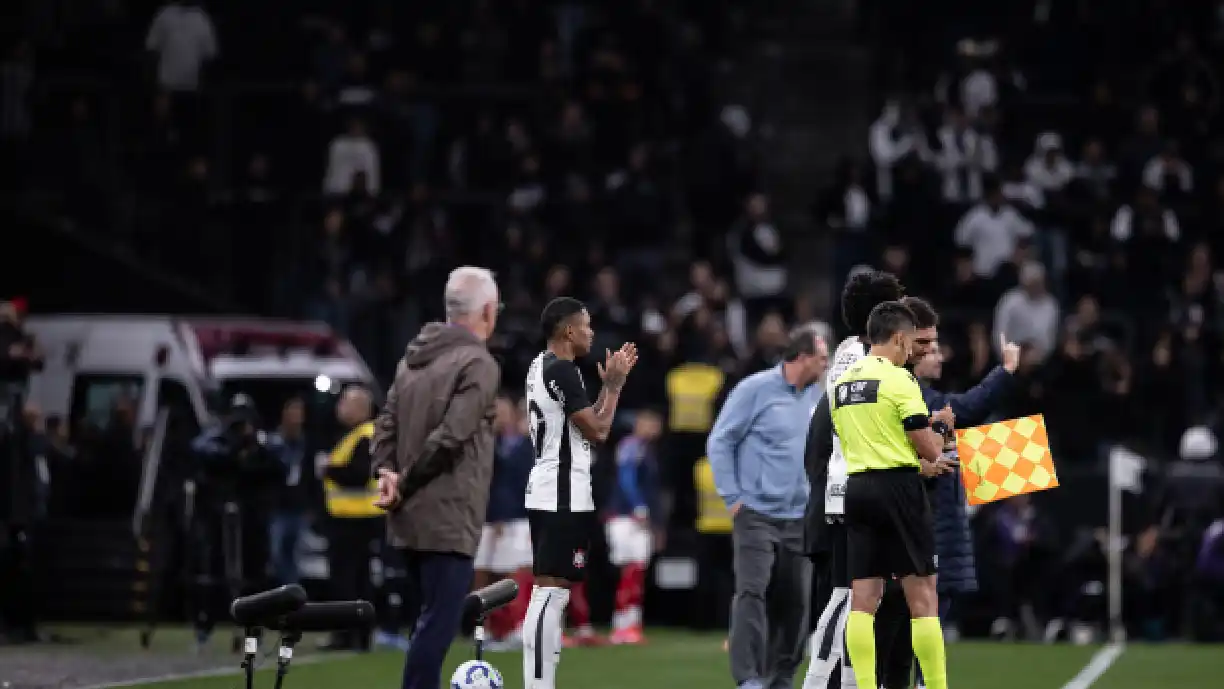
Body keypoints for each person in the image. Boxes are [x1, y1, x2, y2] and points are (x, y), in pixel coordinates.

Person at [875, 296, 1019, 689]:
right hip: (922, 528)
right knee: (918, 619)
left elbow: (962, 420)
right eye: (931, 349)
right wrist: (1005, 370)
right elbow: (968, 408)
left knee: (925, 618)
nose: (939, 356)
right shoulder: (915, 397)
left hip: (938, 527)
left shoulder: (928, 399)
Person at [371, 266, 503, 689]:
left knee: (425, 624)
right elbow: (452, 438)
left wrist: (386, 475)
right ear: (487, 311)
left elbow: (385, 425)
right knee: (437, 629)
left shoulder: (413, 357)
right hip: (448, 517)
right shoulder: (478, 363)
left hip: (406, 519)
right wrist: (403, 480)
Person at [828, 301, 957, 689]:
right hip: (899, 490)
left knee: (864, 599)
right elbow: (930, 450)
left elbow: (867, 439)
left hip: (858, 489)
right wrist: (944, 431)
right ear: (899, 338)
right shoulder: (901, 380)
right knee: (923, 596)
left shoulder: (842, 384)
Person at [520, 297, 637, 689]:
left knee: (554, 593)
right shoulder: (564, 371)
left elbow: (588, 429)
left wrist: (605, 388)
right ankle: (538, 683)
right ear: (568, 330)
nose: (591, 333)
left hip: (550, 488)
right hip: (561, 492)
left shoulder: (541, 367)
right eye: (586, 326)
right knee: (550, 593)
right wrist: (616, 388)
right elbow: (600, 432)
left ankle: (543, 679)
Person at [708, 324, 828, 689]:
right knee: (752, 593)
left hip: (799, 516)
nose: (827, 366)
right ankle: (748, 678)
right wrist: (733, 498)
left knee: (796, 601)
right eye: (823, 359)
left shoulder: (817, 398)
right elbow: (720, 440)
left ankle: (782, 677)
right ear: (802, 357)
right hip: (756, 514)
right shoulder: (755, 390)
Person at [803, 269, 905, 689]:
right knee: (850, 603)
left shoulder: (846, 353)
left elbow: (817, 441)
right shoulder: (873, 368)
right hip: (858, 502)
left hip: (836, 501)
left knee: (856, 605)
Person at [321, 385, 407, 651]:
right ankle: (352, 633)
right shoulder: (353, 436)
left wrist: (328, 470)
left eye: (346, 402)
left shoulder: (367, 435)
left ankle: (351, 634)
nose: (340, 408)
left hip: (357, 520)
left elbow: (361, 474)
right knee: (354, 579)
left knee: (350, 580)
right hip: (351, 520)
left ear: (362, 408)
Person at [475, 395, 536, 649]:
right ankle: (492, 628)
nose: (499, 416)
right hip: (487, 518)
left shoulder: (526, 445)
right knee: (488, 575)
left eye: (503, 411)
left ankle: (517, 627)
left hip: (517, 518)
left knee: (517, 571)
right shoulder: (486, 445)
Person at [605, 409, 664, 645]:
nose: (655, 428)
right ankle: (621, 624)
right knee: (630, 571)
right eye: (651, 422)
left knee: (636, 571)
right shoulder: (631, 446)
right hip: (625, 516)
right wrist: (638, 506)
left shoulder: (647, 450)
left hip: (636, 518)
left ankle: (631, 622)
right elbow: (626, 478)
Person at [266, 397, 318, 587]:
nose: (297, 417)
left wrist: (312, 505)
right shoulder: (273, 444)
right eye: (293, 413)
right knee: (277, 554)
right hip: (278, 507)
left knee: (297, 556)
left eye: (300, 413)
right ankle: (281, 592)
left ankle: (293, 597)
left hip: (299, 507)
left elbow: (311, 477)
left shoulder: (306, 444)